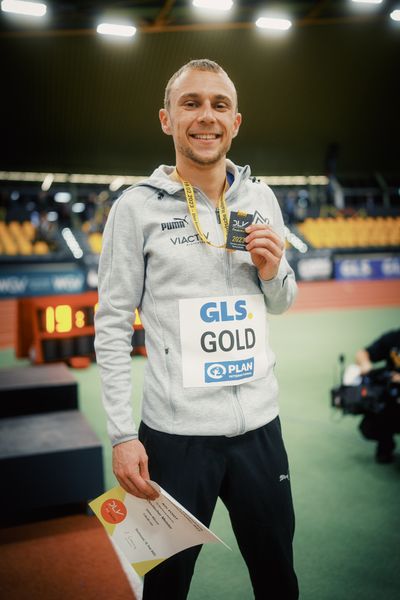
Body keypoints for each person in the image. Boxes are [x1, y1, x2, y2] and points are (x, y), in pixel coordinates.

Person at [94, 59, 299, 599]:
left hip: (260, 431)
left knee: (279, 578)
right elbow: (112, 325)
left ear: (236, 122)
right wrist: (121, 435)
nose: (205, 116)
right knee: (164, 588)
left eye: (219, 105)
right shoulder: (134, 209)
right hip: (174, 440)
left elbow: (282, 301)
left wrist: (274, 272)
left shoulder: (263, 200)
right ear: (166, 119)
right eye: (191, 103)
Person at [356, 328, 400, 464]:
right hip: (393, 398)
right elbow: (362, 353)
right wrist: (365, 364)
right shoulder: (394, 338)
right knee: (369, 426)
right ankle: (385, 444)